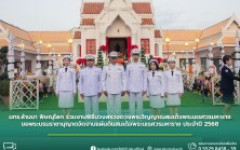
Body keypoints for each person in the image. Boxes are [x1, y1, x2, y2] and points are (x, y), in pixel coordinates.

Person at [126, 49, 147, 115]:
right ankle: (132, 120)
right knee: (131, 105)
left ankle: (139, 120)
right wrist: (127, 88)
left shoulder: (143, 66)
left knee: (140, 105)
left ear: (139, 56)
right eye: (134, 55)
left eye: (137, 55)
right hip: (131, 88)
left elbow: (145, 77)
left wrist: (145, 88)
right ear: (132, 56)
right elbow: (127, 77)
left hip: (140, 88)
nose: (135, 56)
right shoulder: (129, 66)